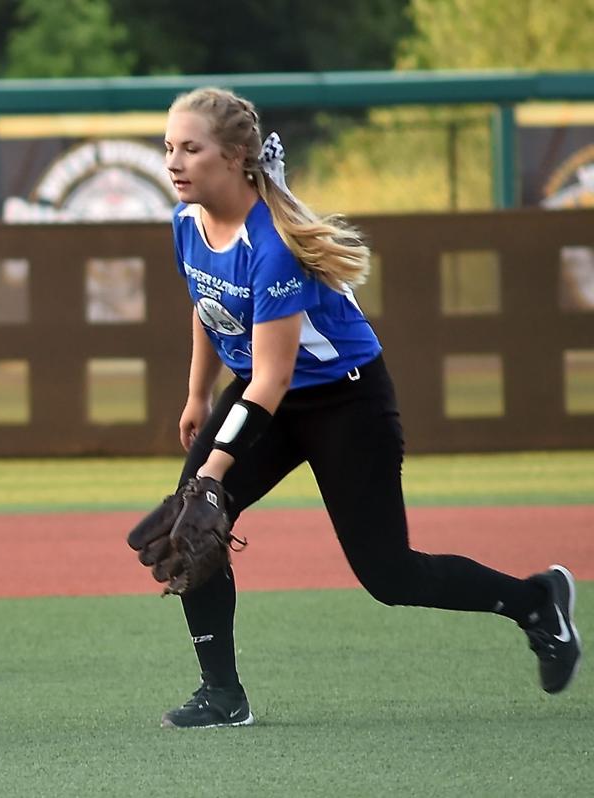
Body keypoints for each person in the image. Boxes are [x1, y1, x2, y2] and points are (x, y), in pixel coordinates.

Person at [156, 86, 581, 728]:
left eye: (191, 148)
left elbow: (271, 381)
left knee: (390, 575)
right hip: (264, 390)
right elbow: (207, 303)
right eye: (169, 147)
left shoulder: (274, 246)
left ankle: (534, 600)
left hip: (342, 400)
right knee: (193, 526)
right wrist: (196, 392)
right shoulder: (187, 221)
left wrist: (214, 469)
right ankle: (222, 694)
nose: (174, 161)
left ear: (238, 156)